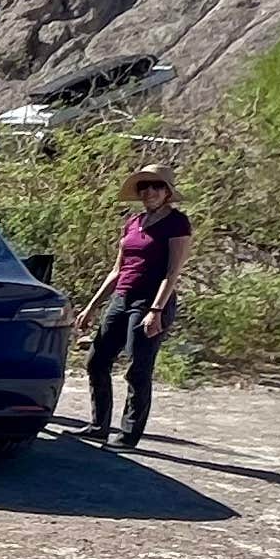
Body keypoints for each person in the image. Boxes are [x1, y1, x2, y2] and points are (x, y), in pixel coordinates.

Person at [77, 162, 191, 449]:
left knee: (138, 369)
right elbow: (117, 270)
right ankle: (98, 425)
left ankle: (128, 434)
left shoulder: (177, 223)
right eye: (144, 187)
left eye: (156, 186)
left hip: (149, 302)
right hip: (122, 298)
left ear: (167, 192)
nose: (149, 192)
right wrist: (91, 306)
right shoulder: (133, 222)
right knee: (97, 360)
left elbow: (173, 271)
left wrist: (156, 311)